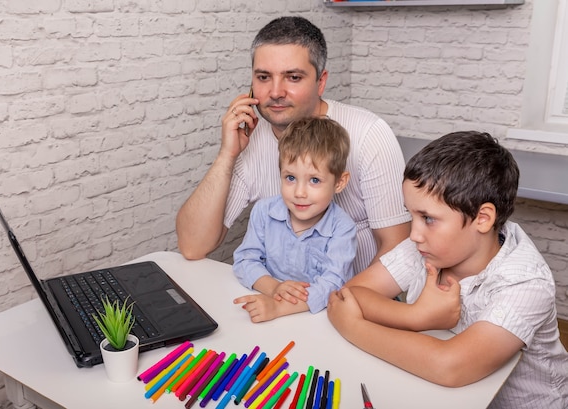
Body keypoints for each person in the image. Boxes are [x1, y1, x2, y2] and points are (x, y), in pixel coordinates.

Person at [327, 131, 568, 408]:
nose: (414, 233)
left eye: (428, 218)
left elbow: (450, 366)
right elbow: (353, 293)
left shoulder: (526, 283)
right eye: (411, 214)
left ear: (483, 218)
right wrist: (415, 316)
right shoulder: (426, 246)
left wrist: (353, 326)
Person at [176, 16, 410, 274]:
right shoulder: (250, 140)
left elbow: (396, 249)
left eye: (293, 77)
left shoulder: (369, 134)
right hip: (279, 297)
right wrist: (227, 154)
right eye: (264, 77)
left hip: (354, 299)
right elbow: (192, 246)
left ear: (321, 82)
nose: (275, 92)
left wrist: (334, 303)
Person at [232, 117, 357, 322]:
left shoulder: (342, 228)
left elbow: (332, 284)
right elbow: (246, 259)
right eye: (290, 178)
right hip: (273, 306)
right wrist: (274, 289)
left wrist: (278, 307)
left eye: (314, 180)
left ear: (339, 182)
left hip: (319, 320)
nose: (299, 192)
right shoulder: (264, 211)